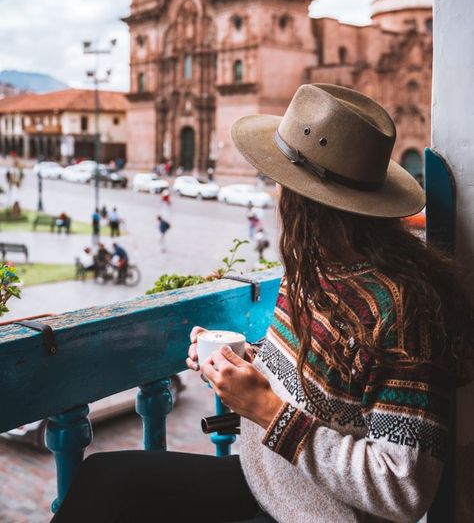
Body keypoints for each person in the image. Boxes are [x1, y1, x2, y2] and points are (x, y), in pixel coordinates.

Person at [50, 84, 473, 523]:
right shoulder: (310, 271)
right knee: (103, 479)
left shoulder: (403, 311)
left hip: (316, 514)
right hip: (266, 482)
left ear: (306, 204)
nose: (276, 195)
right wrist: (241, 364)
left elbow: (403, 488)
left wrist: (265, 409)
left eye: (282, 184)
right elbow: (307, 387)